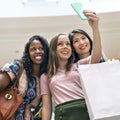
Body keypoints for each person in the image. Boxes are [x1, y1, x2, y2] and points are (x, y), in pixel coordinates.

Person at [40, 10, 102, 120]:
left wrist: (95, 28)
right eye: (60, 44)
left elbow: (96, 56)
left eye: (68, 44)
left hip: (86, 112)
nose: (65, 46)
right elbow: (46, 106)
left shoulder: (78, 65)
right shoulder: (45, 76)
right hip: (63, 115)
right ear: (53, 50)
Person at [0, 35, 49, 120]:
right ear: (28, 53)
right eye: (33, 49)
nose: (38, 51)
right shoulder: (17, 67)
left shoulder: (45, 77)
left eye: (41, 48)